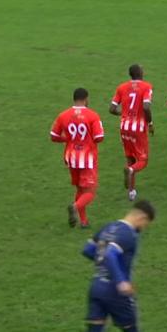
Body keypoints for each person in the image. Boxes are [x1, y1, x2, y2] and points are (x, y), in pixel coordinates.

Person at [53, 200, 161, 332]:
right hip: (115, 292)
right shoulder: (128, 234)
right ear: (141, 217)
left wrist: (102, 265)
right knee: (130, 331)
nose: (143, 228)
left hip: (96, 287)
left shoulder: (109, 227)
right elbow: (110, 255)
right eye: (145, 224)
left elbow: (88, 250)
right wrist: (121, 281)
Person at [51, 88, 104, 229]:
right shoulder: (92, 115)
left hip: (71, 157)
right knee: (90, 192)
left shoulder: (63, 115)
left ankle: (84, 221)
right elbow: (99, 137)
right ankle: (75, 207)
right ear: (86, 99)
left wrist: (66, 139)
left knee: (80, 189)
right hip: (87, 159)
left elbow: (53, 136)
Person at [110, 65, 153, 202]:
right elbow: (146, 106)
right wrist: (150, 123)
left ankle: (131, 192)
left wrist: (123, 113)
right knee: (142, 160)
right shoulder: (146, 86)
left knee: (130, 158)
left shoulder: (122, 87)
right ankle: (131, 171)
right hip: (138, 128)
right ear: (140, 73)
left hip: (124, 127)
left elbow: (112, 108)